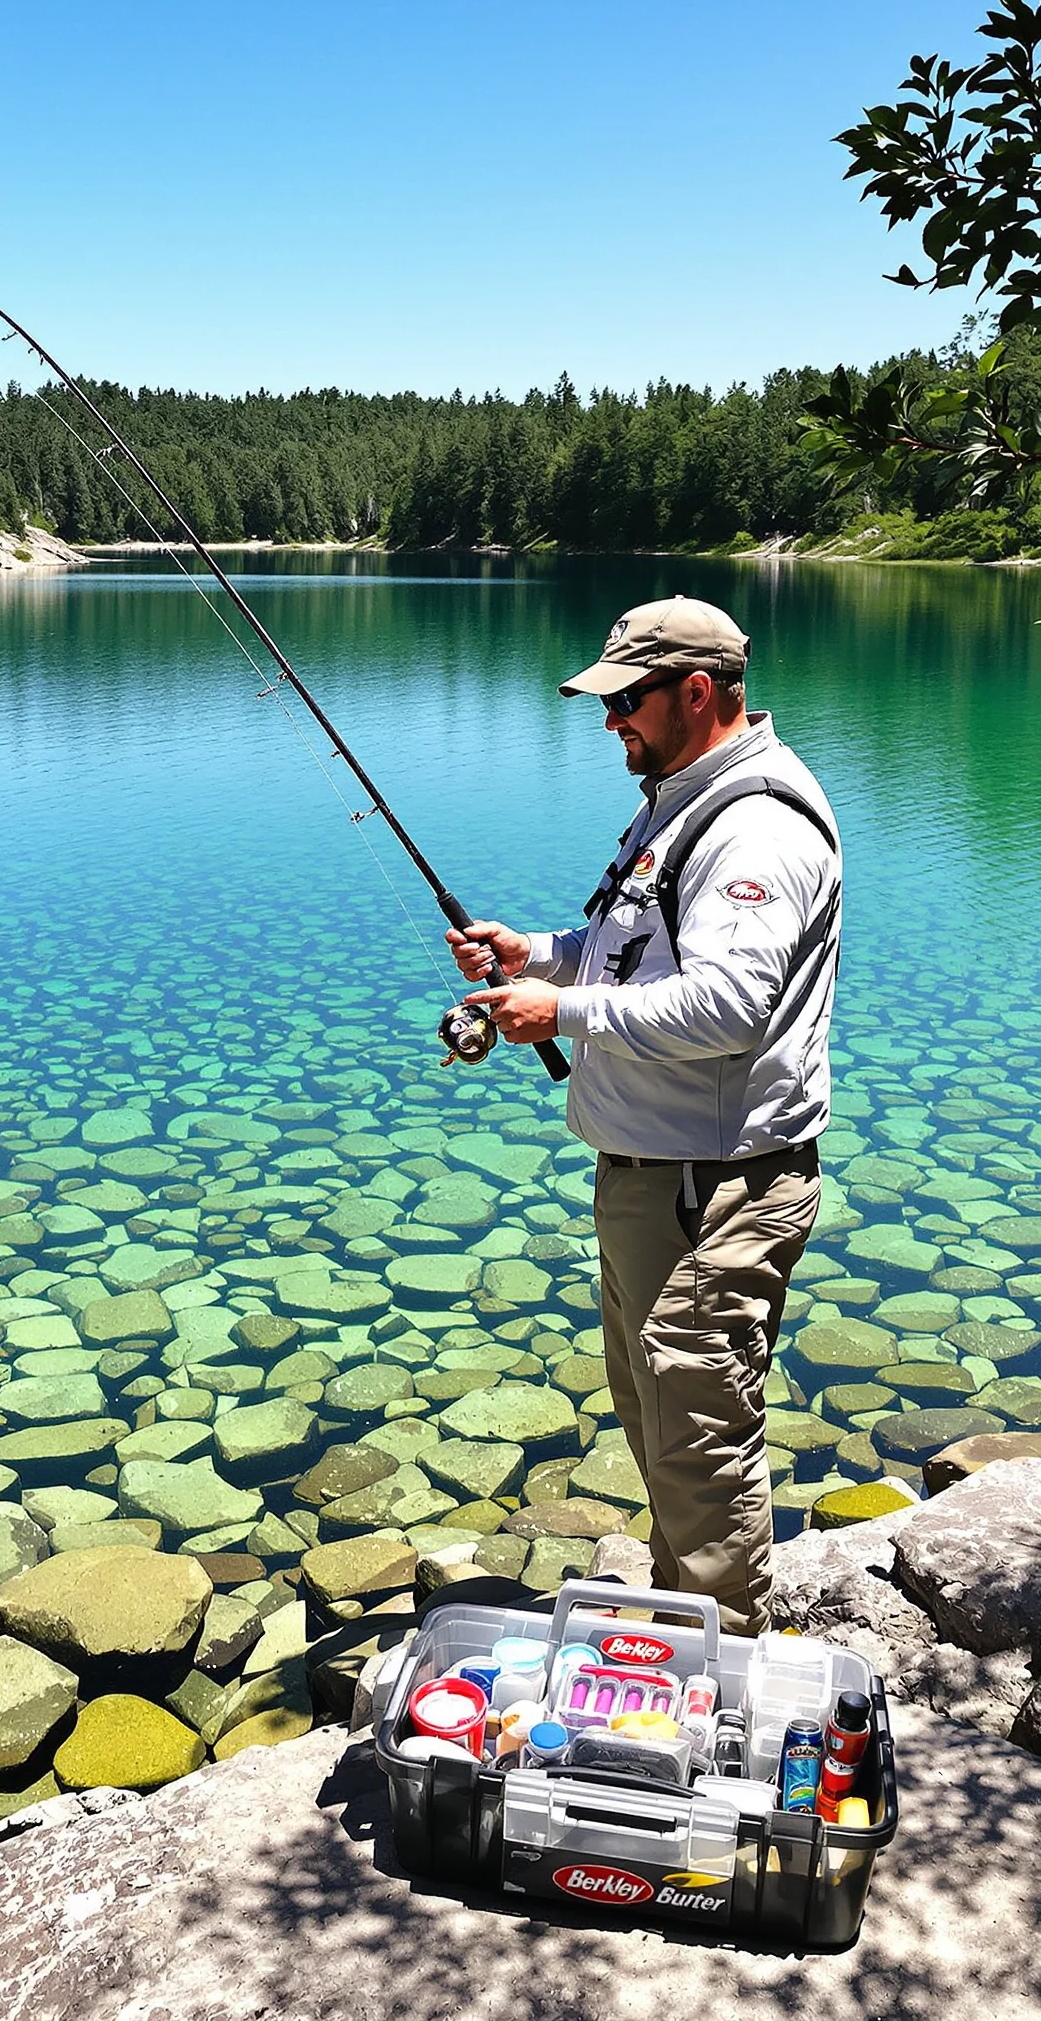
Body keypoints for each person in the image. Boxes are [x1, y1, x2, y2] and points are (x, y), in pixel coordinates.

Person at [447, 595, 842, 1634]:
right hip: (651, 1180)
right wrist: (532, 953)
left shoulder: (753, 825)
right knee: (661, 1427)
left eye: (625, 699)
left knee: (699, 1449)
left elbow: (725, 1006)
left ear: (696, 692)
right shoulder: (677, 795)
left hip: (712, 1191)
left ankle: (726, 1692)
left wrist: (557, 1010)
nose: (609, 719)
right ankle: (687, 1638)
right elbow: (629, 947)